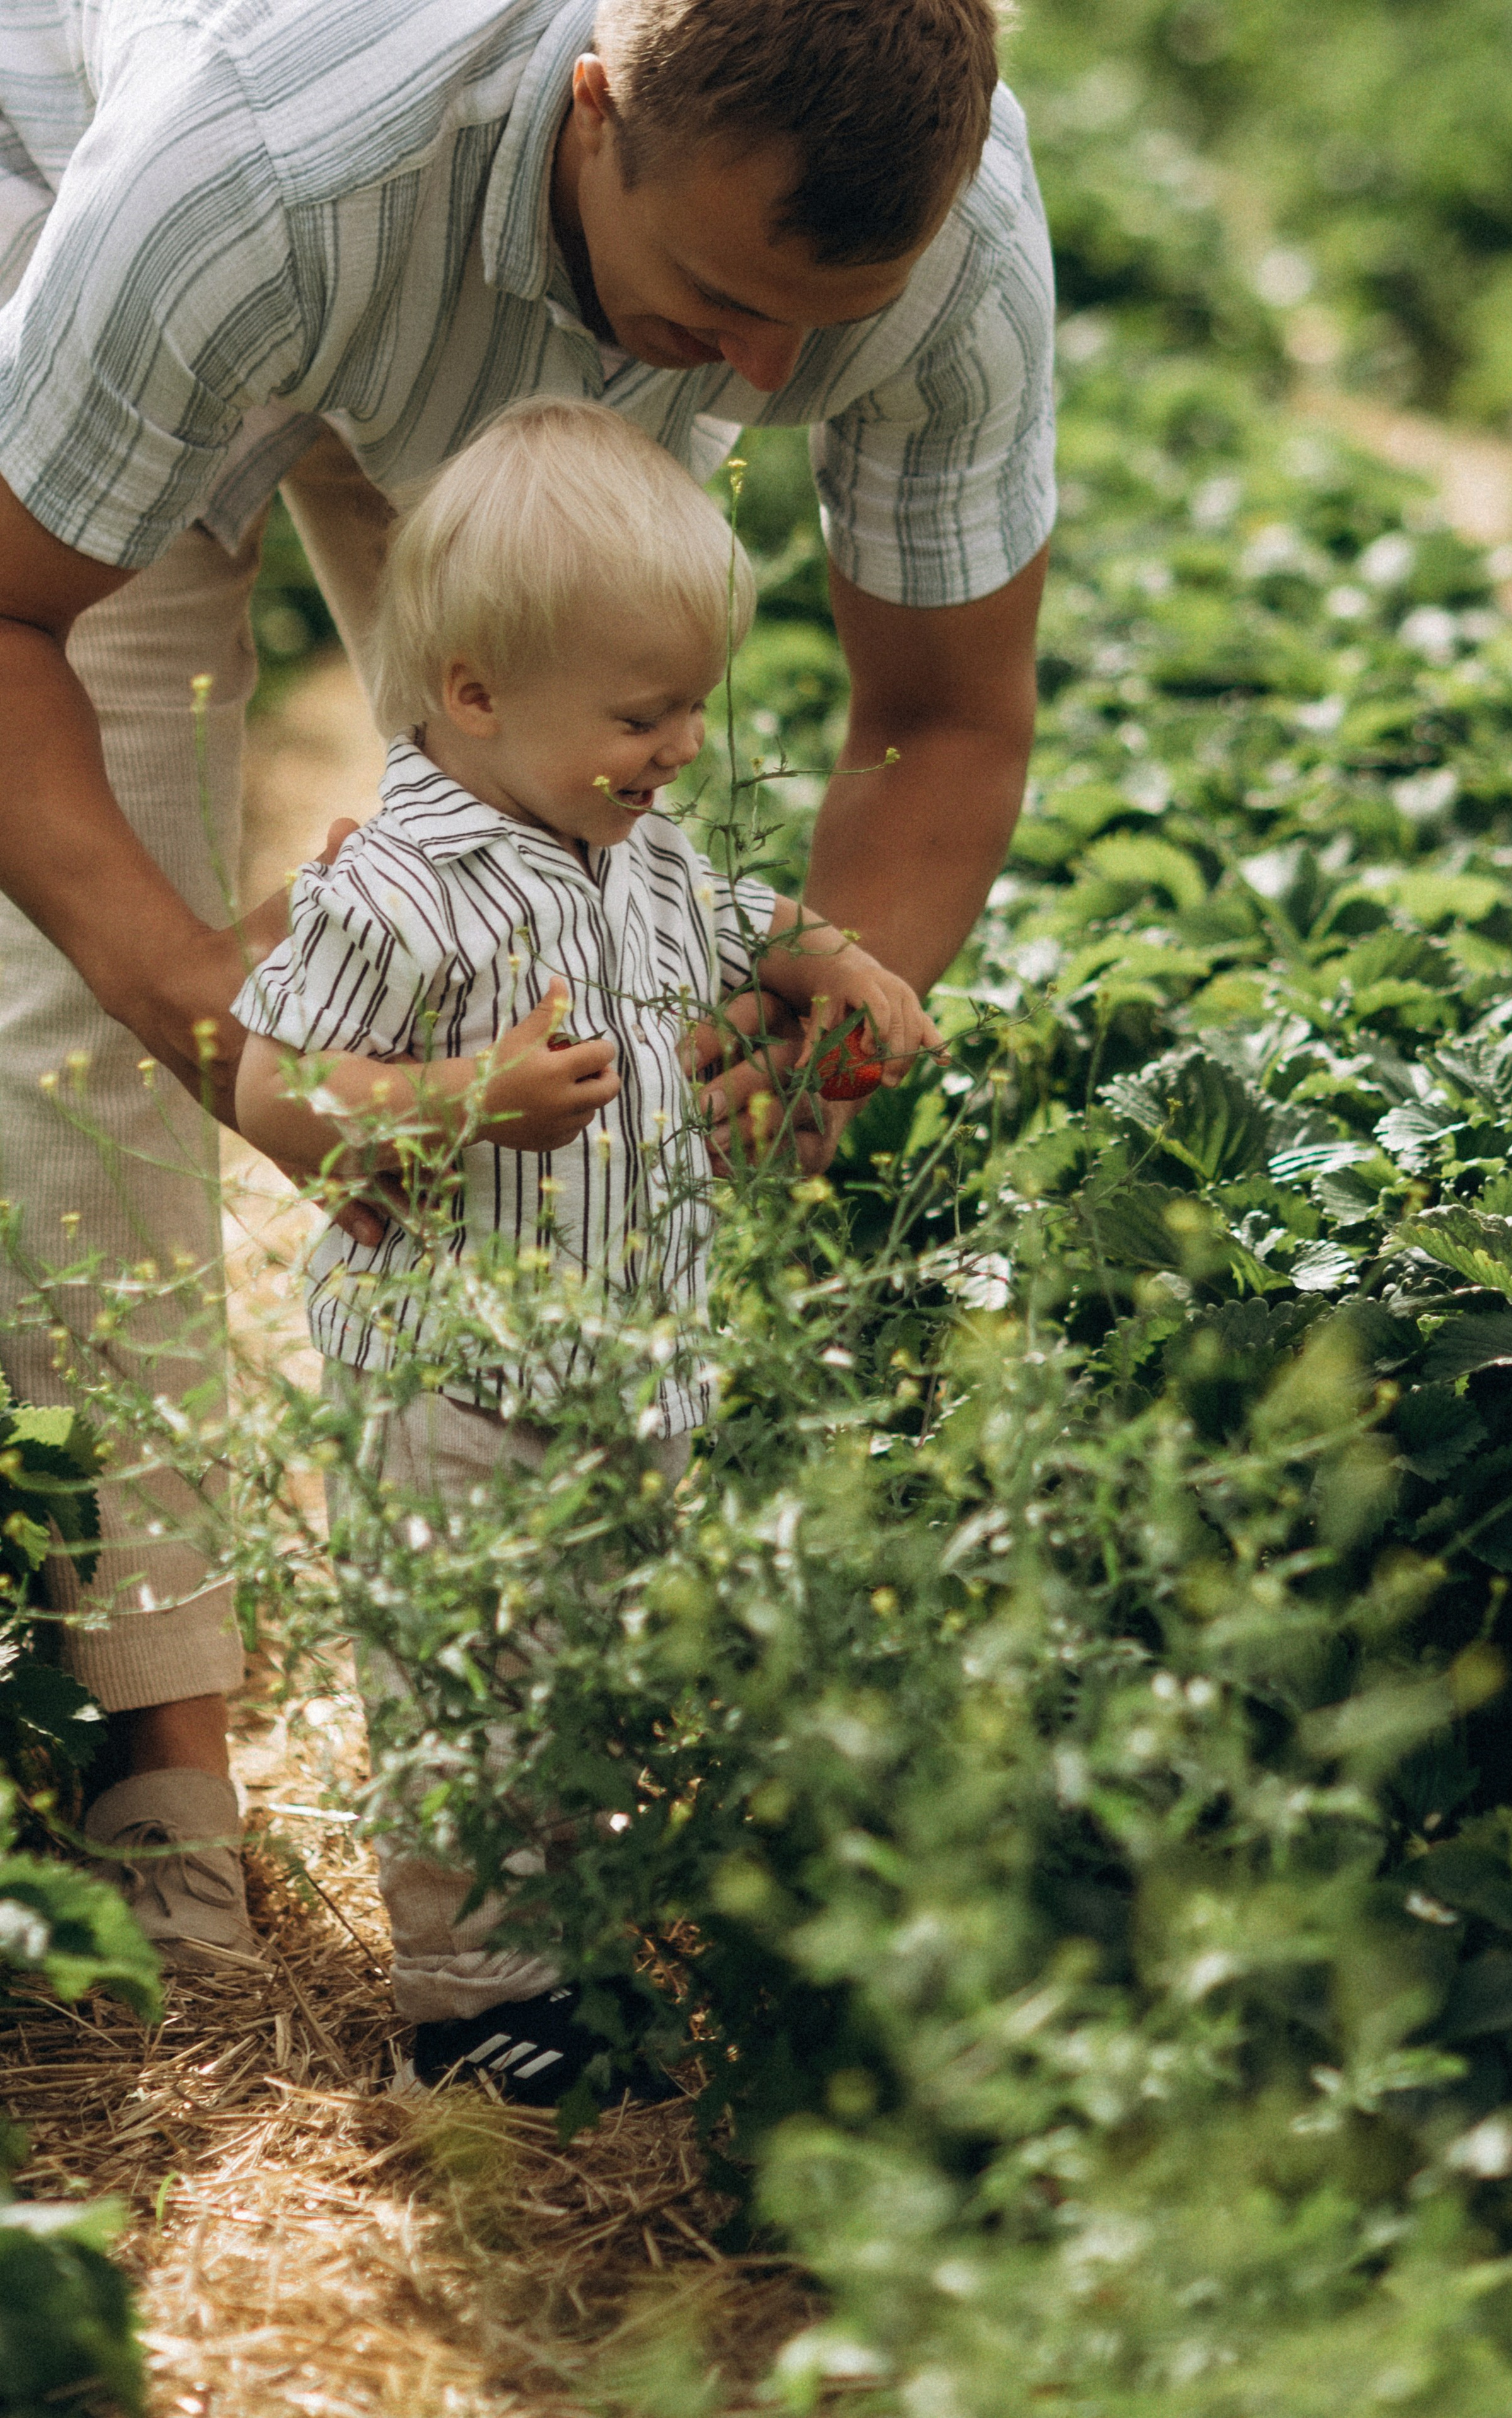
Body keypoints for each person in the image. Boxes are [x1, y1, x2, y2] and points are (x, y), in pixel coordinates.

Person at [0, 0, 1053, 1956]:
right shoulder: (252, 167)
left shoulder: (954, 240)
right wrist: (225, 1029)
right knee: (84, 1007)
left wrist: (795, 1020)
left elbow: (946, 714)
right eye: (724, 298)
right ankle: (155, 1741)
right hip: (153, 245)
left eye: (822, 320)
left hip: (482, 325)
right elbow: (3, 619)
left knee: (578, 839)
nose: (768, 375)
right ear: (595, 116)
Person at [230, 397, 940, 2096]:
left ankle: (571, 1958)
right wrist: (465, 1095)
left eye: (697, 701)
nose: (687, 740)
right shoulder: (396, 885)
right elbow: (274, 1082)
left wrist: (837, 963)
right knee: (475, 1680)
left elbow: (733, 918)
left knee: (590, 1669)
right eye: (647, 709)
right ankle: (474, 2017)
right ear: (473, 691)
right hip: (464, 1375)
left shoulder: (633, 838)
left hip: (631, 1361)